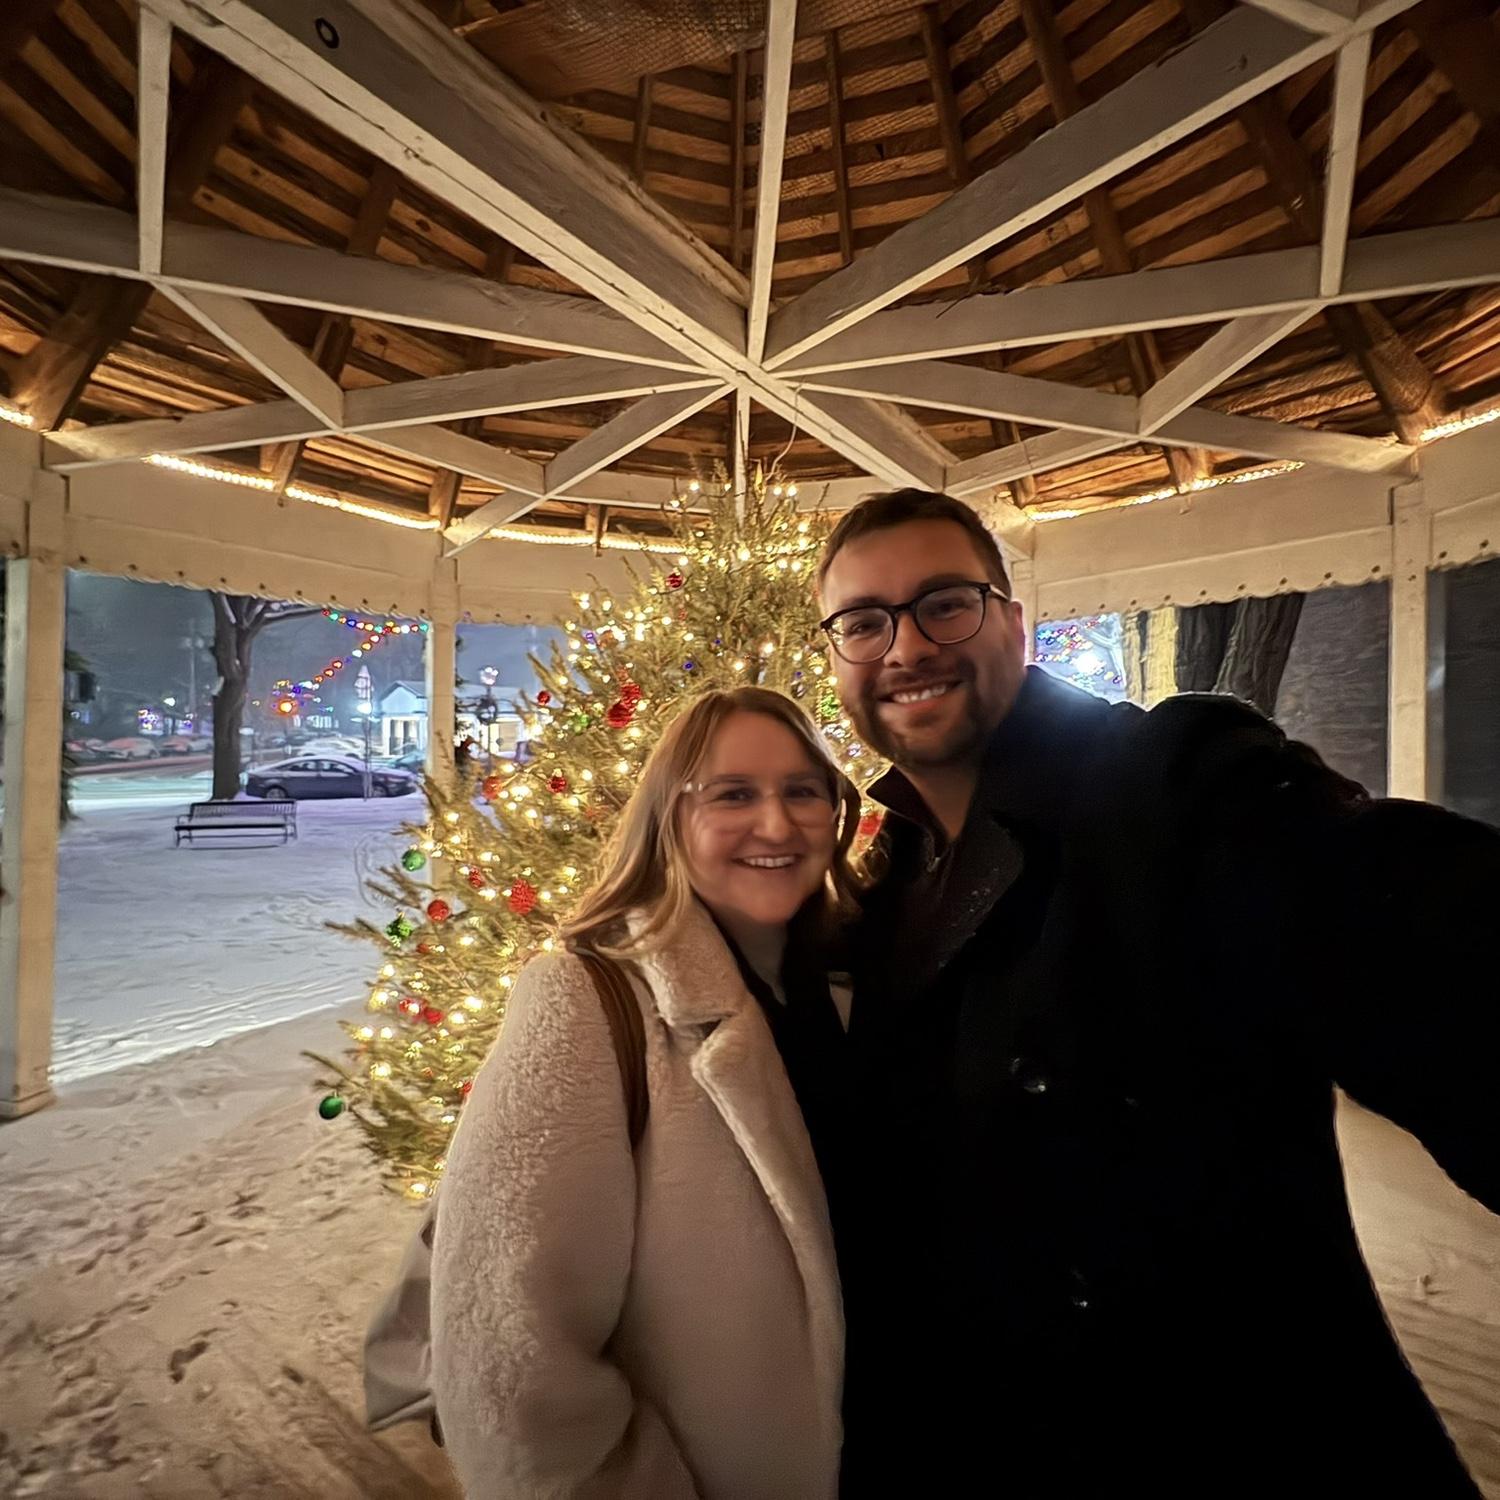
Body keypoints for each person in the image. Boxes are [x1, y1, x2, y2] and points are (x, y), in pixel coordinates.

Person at [818, 489, 1500, 1498]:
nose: (906, 646)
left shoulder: (1168, 787)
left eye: (944, 603)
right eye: (863, 622)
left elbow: (1427, 946)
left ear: (1013, 621)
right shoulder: (883, 886)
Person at [431, 686, 860, 1500]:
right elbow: (507, 1363)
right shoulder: (585, 1002)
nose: (776, 824)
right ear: (670, 817)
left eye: (802, 790)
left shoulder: (858, 984)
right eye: (733, 794)